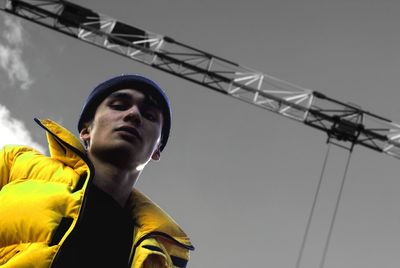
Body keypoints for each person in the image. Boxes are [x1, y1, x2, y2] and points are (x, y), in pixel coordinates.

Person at [0, 74, 194, 267]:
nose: (133, 114)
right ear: (86, 131)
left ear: (157, 150)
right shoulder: (15, 164)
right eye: (118, 106)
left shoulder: (158, 259)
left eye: (150, 116)